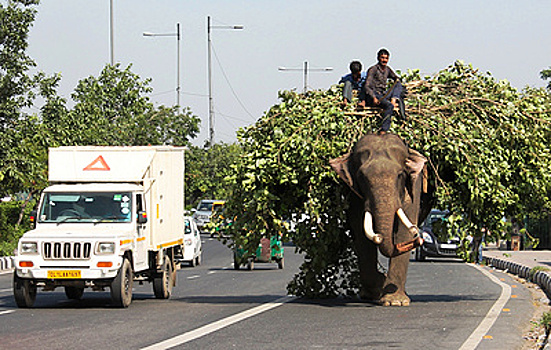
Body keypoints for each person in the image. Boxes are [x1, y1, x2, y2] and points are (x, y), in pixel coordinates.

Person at [362, 48, 406, 132]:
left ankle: (394, 98)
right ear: (378, 58)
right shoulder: (373, 69)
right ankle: (384, 129)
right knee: (390, 106)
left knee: (398, 84)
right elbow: (367, 86)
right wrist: (374, 97)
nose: (384, 60)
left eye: (386, 58)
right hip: (375, 94)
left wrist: (396, 82)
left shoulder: (387, 69)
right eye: (382, 58)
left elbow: (396, 78)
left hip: (383, 94)